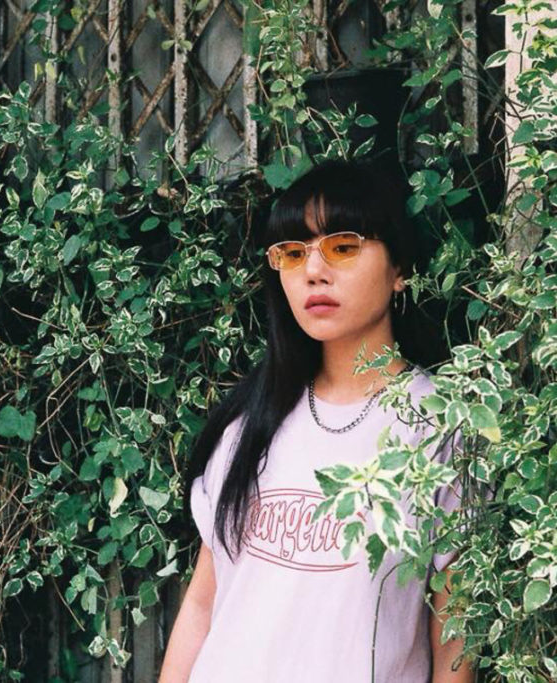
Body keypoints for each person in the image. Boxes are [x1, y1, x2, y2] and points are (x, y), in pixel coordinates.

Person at [158, 157, 477, 683]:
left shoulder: (437, 423)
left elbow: (455, 629)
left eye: (343, 247)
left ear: (399, 269)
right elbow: (201, 605)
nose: (313, 269)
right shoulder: (250, 420)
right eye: (291, 253)